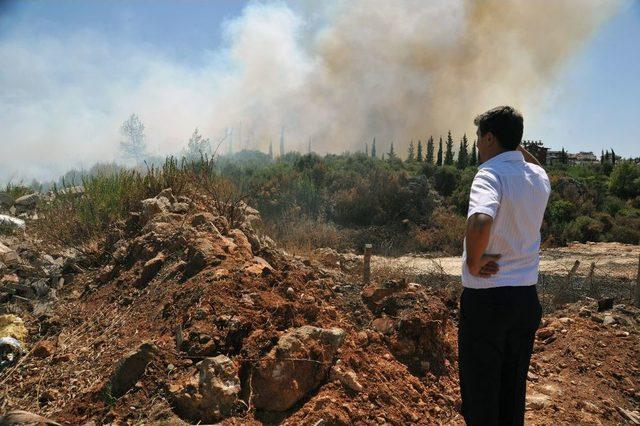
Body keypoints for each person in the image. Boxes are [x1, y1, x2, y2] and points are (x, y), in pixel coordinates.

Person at [458, 106, 551, 425]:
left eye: (478, 139)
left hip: (487, 302)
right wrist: (514, 145)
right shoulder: (537, 178)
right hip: (525, 300)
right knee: (513, 393)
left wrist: (474, 261)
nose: (476, 147)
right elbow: (536, 165)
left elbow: (481, 221)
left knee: (481, 395)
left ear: (489, 138)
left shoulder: (489, 174)